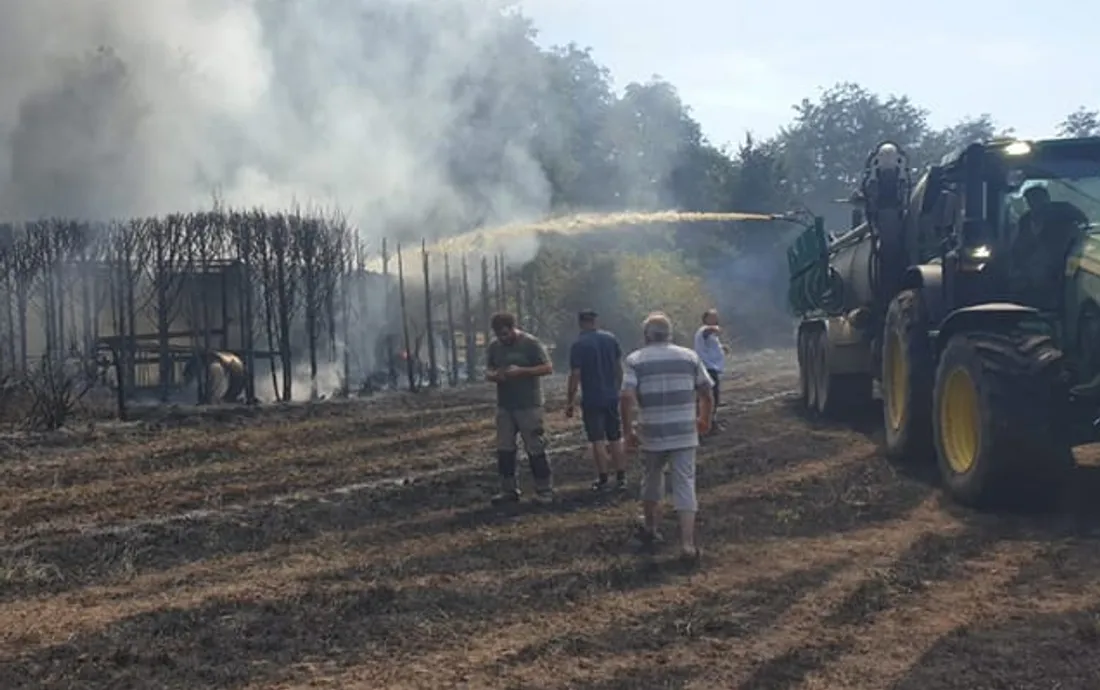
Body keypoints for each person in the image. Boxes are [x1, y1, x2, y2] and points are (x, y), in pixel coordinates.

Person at [620, 311, 714, 563]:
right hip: (684, 430)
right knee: (684, 482)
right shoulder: (689, 356)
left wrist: (628, 431)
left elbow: (626, 396)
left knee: (651, 479)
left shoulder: (635, 360)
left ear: (646, 336)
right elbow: (706, 392)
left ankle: (651, 528)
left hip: (652, 431)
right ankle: (687, 544)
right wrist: (705, 418)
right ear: (670, 334)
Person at [485, 312, 555, 505]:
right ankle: (508, 489)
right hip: (505, 405)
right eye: (499, 335)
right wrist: (494, 376)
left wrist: (522, 371)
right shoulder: (495, 347)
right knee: (504, 449)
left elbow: (548, 368)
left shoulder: (530, 343)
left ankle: (544, 490)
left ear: (513, 328)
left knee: (535, 446)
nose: (503, 338)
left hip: (529, 404)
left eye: (506, 334)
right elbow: (488, 369)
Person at [565, 309, 628, 493]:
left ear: (581, 323)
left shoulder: (578, 345)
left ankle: (603, 478)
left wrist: (570, 401)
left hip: (592, 397)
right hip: (610, 396)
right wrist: (618, 388)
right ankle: (621, 476)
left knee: (597, 439)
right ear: (595, 321)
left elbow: (575, 375)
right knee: (615, 436)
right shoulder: (610, 339)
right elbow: (618, 368)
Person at [693, 309, 725, 427]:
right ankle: (708, 422)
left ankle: (708, 420)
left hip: (710, 367)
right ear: (705, 319)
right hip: (707, 368)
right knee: (711, 396)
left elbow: (708, 346)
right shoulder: (703, 330)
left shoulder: (710, 335)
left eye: (716, 317)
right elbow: (706, 331)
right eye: (712, 317)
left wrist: (722, 348)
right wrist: (714, 328)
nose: (715, 319)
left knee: (712, 395)